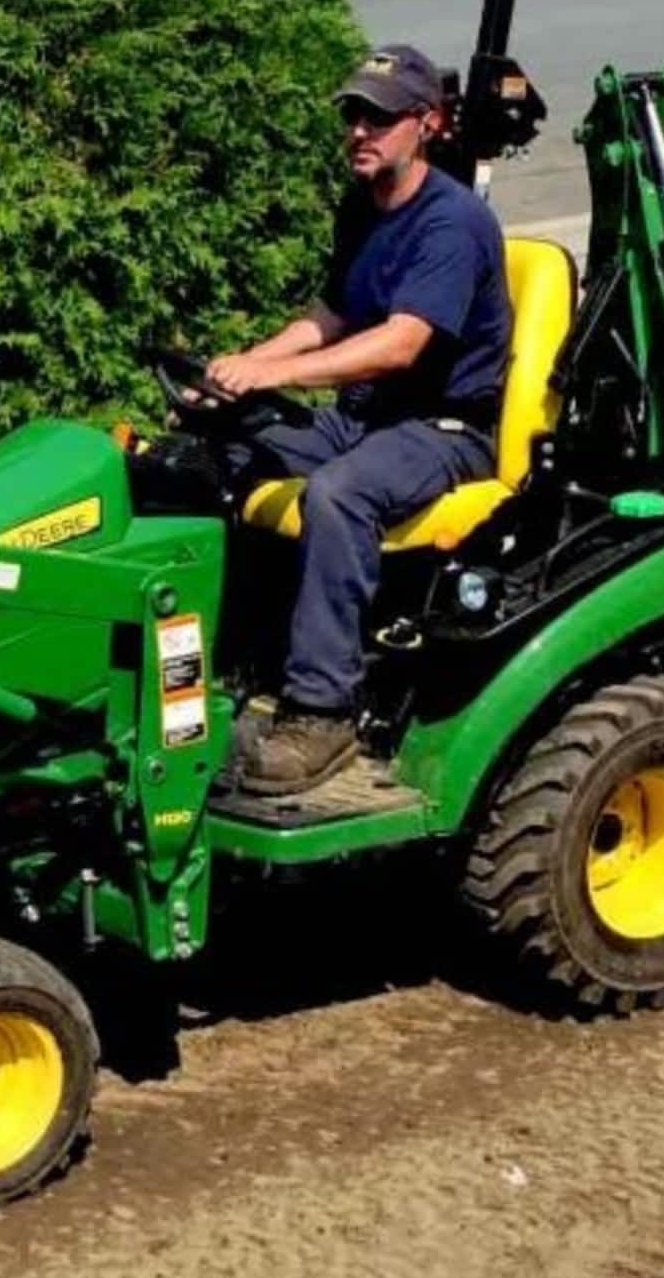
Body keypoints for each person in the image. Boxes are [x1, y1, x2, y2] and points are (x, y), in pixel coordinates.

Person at [207, 44, 511, 795]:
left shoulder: (453, 223)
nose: (359, 132)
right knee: (219, 446)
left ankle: (322, 712)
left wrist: (272, 373)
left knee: (339, 493)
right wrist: (236, 373)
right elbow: (332, 316)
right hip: (368, 418)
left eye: (378, 118)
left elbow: (401, 344)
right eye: (352, 115)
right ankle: (228, 667)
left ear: (426, 124)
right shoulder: (363, 204)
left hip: (445, 431)